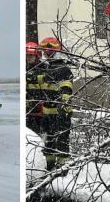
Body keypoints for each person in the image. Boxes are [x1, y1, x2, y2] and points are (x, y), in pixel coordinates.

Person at [37, 36, 74, 168]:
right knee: (49, 140)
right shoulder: (49, 68)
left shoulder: (63, 69)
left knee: (62, 139)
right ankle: (50, 165)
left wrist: (63, 108)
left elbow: (66, 89)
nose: (46, 54)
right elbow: (43, 81)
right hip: (48, 112)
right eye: (45, 51)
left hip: (60, 113)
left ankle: (62, 168)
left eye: (48, 52)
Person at [25, 41, 44, 133]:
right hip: (28, 105)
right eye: (27, 55)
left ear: (37, 56)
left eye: (31, 56)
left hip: (40, 105)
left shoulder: (44, 68)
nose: (28, 58)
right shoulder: (25, 68)